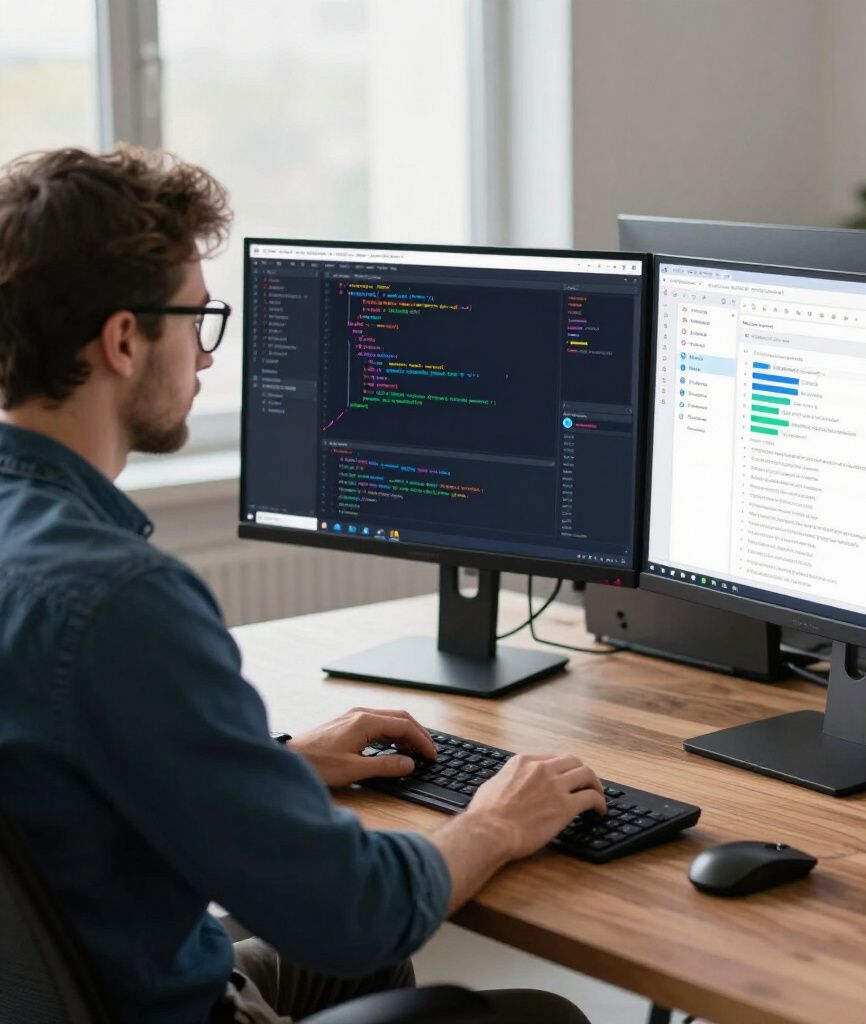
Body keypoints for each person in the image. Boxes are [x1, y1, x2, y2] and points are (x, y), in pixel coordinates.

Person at [0, 146, 606, 1024]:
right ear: (125, 340)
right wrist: (497, 822)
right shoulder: (118, 601)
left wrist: (273, 770)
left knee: (371, 986)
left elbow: (63, 780)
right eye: (197, 318)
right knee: (534, 1015)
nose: (207, 357)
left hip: (103, 979)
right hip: (163, 1005)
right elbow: (354, 915)